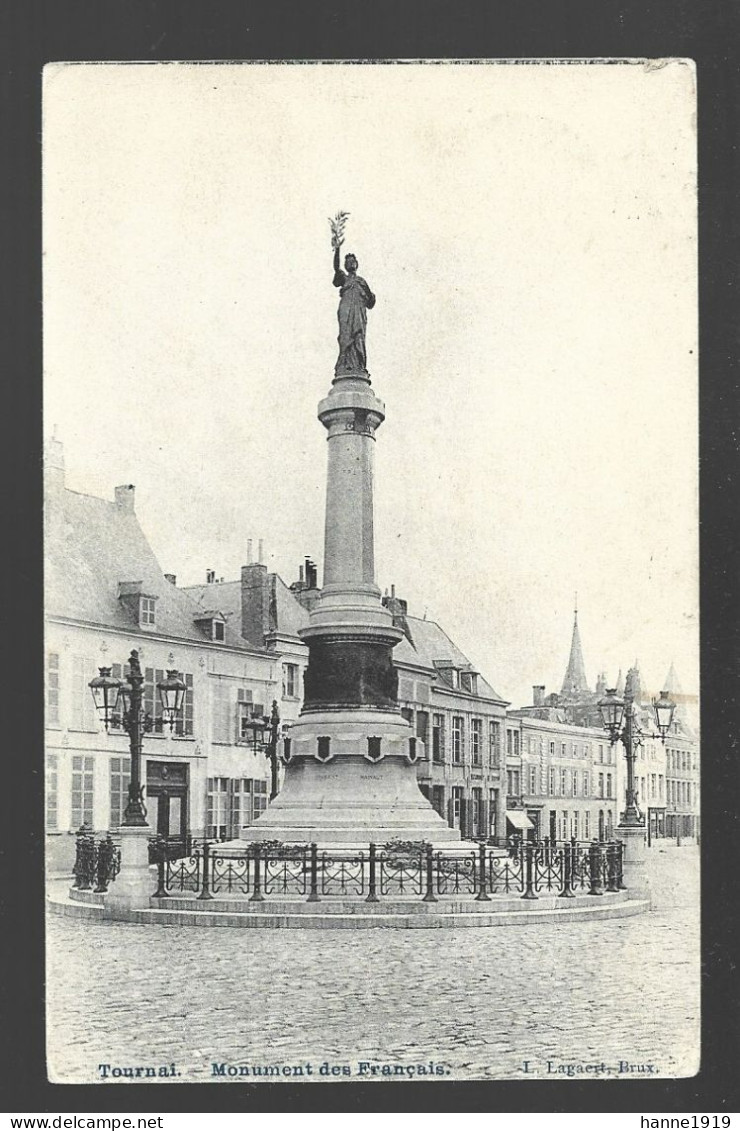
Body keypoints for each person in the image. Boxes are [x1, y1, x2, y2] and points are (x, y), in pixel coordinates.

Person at [332, 246, 375, 376]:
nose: (350, 263)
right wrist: (337, 249)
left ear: (356, 264)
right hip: (346, 310)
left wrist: (370, 295)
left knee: (358, 337)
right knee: (345, 335)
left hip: (359, 313)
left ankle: (359, 366)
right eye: (348, 261)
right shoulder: (344, 278)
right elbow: (336, 268)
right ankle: (344, 365)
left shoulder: (361, 281)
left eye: (352, 261)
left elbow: (371, 302)